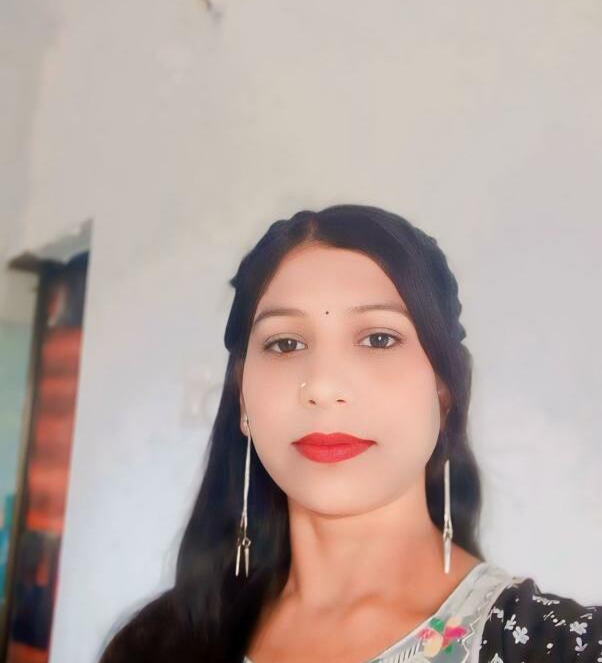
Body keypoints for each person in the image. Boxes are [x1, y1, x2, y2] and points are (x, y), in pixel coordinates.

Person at [98, 204, 601, 663]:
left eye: (378, 338)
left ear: (444, 389)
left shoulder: (563, 649)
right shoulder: (153, 647)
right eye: (285, 343)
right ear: (243, 400)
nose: (322, 387)